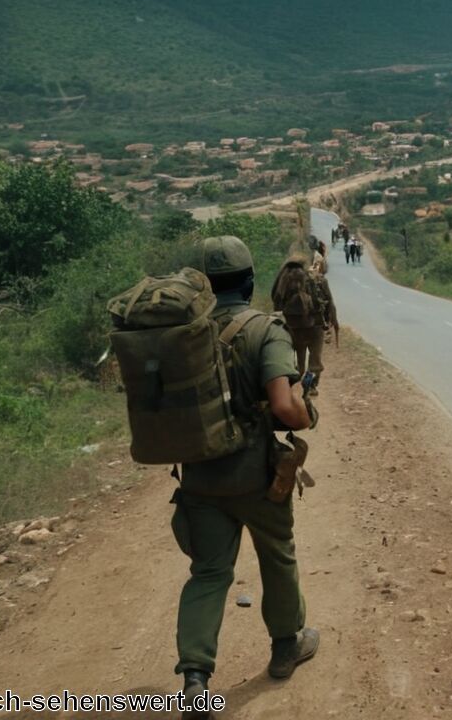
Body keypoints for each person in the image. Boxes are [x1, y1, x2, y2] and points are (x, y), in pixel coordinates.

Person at [171, 236, 318, 714]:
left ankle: (195, 680)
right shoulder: (264, 330)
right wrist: (306, 414)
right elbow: (284, 407)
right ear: (251, 282)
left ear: (206, 285)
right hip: (256, 477)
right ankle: (285, 647)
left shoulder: (183, 333)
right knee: (277, 554)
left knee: (209, 573)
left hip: (199, 477)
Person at [271, 256, 338, 396]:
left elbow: (276, 304)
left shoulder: (283, 281)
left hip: (294, 327)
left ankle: (293, 384)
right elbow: (330, 303)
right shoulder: (318, 280)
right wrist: (331, 323)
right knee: (315, 361)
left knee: (299, 359)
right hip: (315, 326)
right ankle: (311, 385)